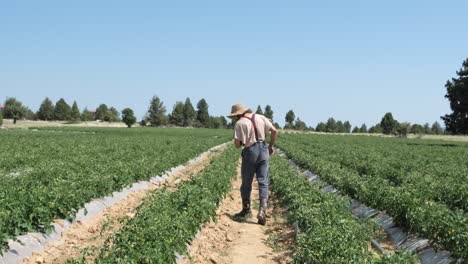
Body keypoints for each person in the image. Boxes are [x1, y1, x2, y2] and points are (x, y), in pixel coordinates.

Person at [227, 103, 277, 225]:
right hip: (264, 149)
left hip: (250, 151)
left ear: (237, 115)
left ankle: (246, 210)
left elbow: (237, 145)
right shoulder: (261, 117)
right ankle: (262, 211)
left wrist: (242, 139)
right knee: (263, 182)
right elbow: (274, 131)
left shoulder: (240, 123)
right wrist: (270, 146)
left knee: (246, 182)